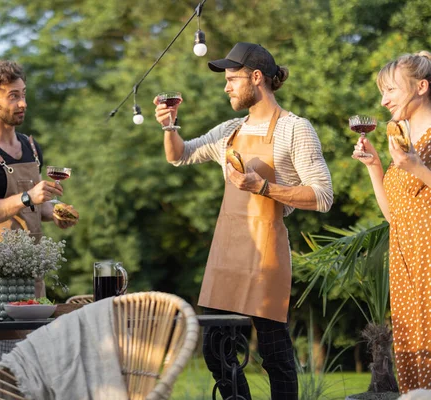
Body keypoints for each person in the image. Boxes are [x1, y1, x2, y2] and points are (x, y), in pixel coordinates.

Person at [154, 42, 333, 399]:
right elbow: (181, 156)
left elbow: (323, 195)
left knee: (275, 355)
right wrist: (170, 127)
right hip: (227, 253)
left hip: (265, 255)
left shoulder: (295, 129)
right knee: (216, 351)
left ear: (256, 78)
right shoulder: (229, 131)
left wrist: (264, 187)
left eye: (232, 79)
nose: (226, 87)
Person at [0, 60, 78, 383]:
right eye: (12, 96)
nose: (22, 102)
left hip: (32, 266)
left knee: (35, 363)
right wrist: (28, 198)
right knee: (0, 366)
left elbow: (36, 206)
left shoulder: (30, 146)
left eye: (23, 94)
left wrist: (55, 212)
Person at [354, 51, 431, 393]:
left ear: (421, 87)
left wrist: (416, 168)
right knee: (413, 353)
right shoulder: (400, 142)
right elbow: (393, 217)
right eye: (381, 91)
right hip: (405, 264)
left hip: (428, 259)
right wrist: (375, 167)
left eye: (391, 90)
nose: (383, 100)